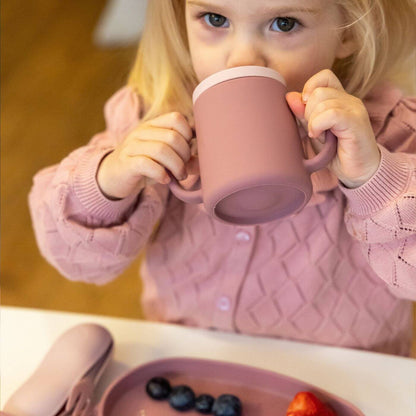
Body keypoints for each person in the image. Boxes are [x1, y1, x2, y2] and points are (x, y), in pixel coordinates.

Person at [29, 0, 416, 356]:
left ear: (347, 31)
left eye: (284, 23)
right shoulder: (155, 118)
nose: (240, 58)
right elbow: (75, 262)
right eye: (215, 19)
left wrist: (373, 177)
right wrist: (109, 181)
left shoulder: (390, 131)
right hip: (198, 366)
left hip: (350, 380)